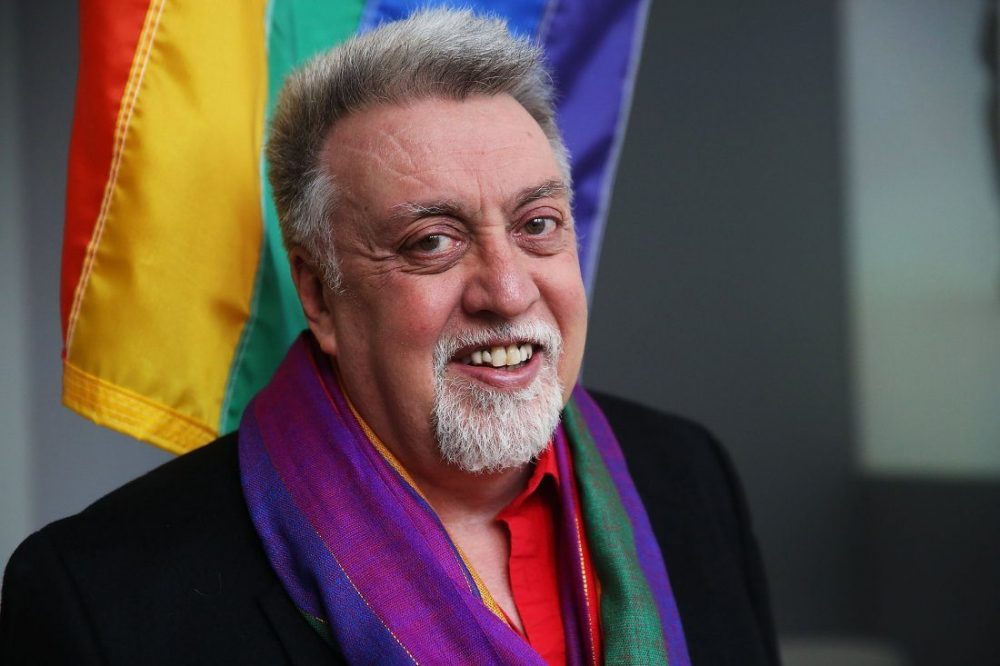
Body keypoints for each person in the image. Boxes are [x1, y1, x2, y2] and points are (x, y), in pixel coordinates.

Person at [1, 10, 778, 665]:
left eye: (538, 226)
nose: (507, 291)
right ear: (319, 295)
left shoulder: (688, 477)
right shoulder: (102, 597)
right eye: (431, 242)